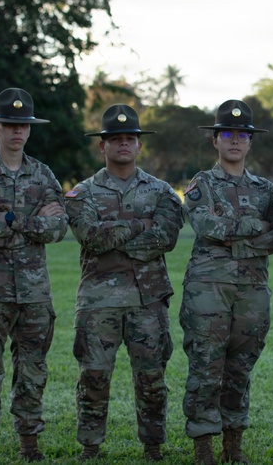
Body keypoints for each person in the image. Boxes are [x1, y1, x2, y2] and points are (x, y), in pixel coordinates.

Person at [64, 104, 184, 462]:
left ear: (139, 145)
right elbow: (91, 238)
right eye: (114, 139)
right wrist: (140, 224)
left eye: (129, 138)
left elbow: (165, 239)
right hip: (98, 300)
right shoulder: (82, 193)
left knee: (151, 379)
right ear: (102, 146)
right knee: (94, 377)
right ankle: (90, 446)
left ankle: (153, 445)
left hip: (148, 300)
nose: (122, 144)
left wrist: (115, 231)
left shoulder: (162, 192)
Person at [0, 88, 68, 465]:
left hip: (35, 292)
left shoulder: (42, 173)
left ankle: (29, 443)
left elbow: (59, 229)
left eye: (23, 125)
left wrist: (11, 218)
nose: (17, 132)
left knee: (33, 370)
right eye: (10, 125)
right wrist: (34, 221)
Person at [180, 99, 273, 465]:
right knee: (206, 367)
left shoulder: (264, 189)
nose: (235, 140)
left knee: (240, 369)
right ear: (215, 140)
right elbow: (205, 226)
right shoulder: (202, 184)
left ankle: (234, 447)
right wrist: (254, 227)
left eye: (243, 134)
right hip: (208, 289)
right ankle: (203, 448)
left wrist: (237, 235)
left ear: (251, 141)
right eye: (228, 133)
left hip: (252, 291)